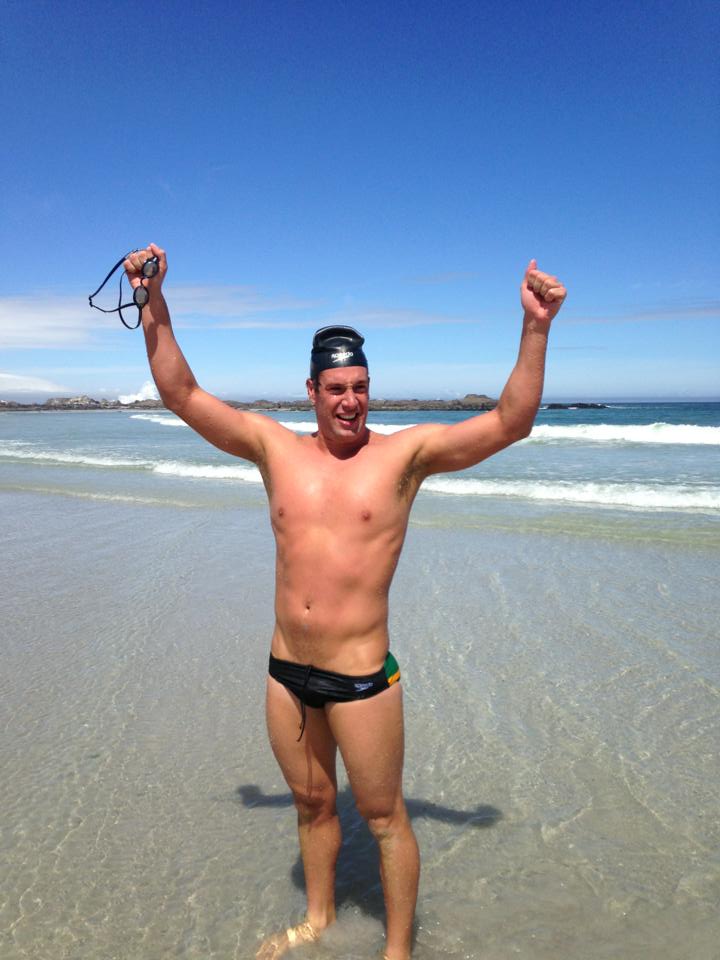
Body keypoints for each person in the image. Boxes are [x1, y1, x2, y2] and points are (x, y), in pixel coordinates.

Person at [124, 245, 567, 960]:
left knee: (385, 818)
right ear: (312, 389)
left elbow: (509, 422)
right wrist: (151, 299)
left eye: (360, 386)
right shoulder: (273, 449)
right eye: (336, 388)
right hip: (286, 675)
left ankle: (397, 952)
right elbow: (182, 393)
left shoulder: (405, 457)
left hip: (362, 680)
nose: (350, 401)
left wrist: (536, 327)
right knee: (311, 803)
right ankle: (318, 921)